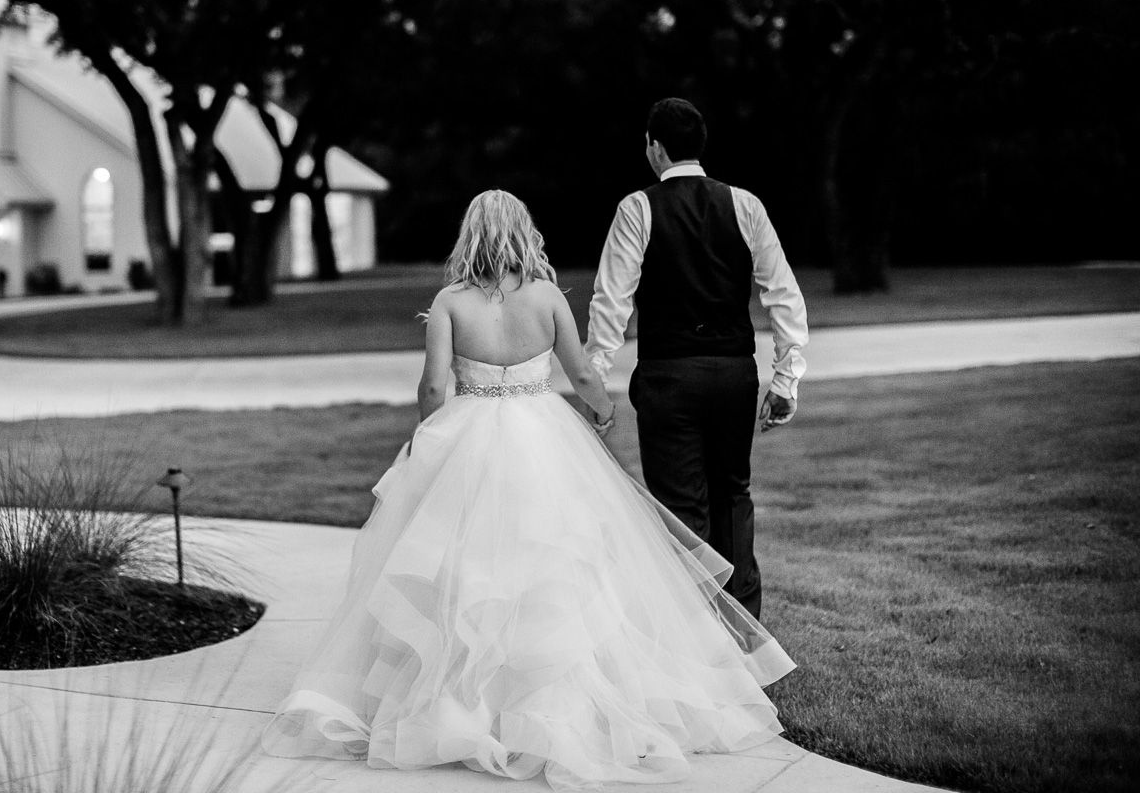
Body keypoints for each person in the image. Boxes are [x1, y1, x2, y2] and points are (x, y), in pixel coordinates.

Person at [261, 189, 795, 791]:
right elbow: (585, 371)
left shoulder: (450, 303)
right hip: (544, 434)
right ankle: (551, 708)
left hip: (469, 436)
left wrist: (427, 438)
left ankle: (462, 705)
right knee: (557, 567)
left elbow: (433, 387)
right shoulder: (545, 298)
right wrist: (600, 412)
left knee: (463, 570)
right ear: (524, 234)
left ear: (471, 235)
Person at [585, 98, 808, 621]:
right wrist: (786, 378)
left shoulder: (636, 209)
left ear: (655, 147)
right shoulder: (745, 205)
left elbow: (611, 302)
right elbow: (783, 294)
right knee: (734, 497)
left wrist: (594, 381)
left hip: (669, 378)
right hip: (734, 375)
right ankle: (745, 636)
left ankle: (698, 644)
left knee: (683, 512)